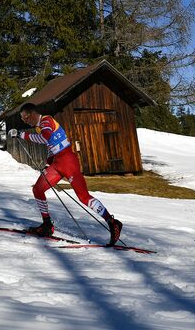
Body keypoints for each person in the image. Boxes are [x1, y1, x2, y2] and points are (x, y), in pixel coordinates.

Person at [8, 102, 123, 245]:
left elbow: (46, 137)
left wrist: (21, 134)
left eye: (25, 118)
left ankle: (112, 222)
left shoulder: (46, 121)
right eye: (23, 119)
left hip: (68, 161)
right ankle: (47, 225)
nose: (24, 121)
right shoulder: (40, 128)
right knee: (38, 189)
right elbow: (51, 146)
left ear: (31, 114)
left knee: (83, 197)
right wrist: (47, 165)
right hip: (57, 164)